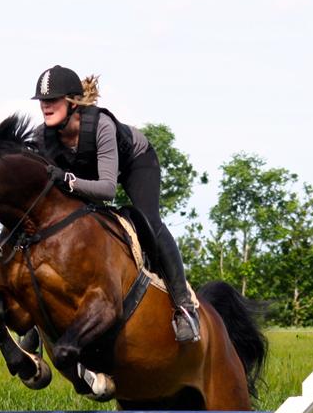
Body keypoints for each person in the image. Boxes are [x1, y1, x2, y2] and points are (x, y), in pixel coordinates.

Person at [29, 64, 200, 343]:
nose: (45, 106)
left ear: (72, 102)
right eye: (42, 101)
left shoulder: (101, 126)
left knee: (149, 222)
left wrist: (68, 180)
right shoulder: (41, 137)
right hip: (87, 172)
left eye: (52, 100)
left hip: (134, 163)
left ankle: (184, 307)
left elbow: (107, 189)